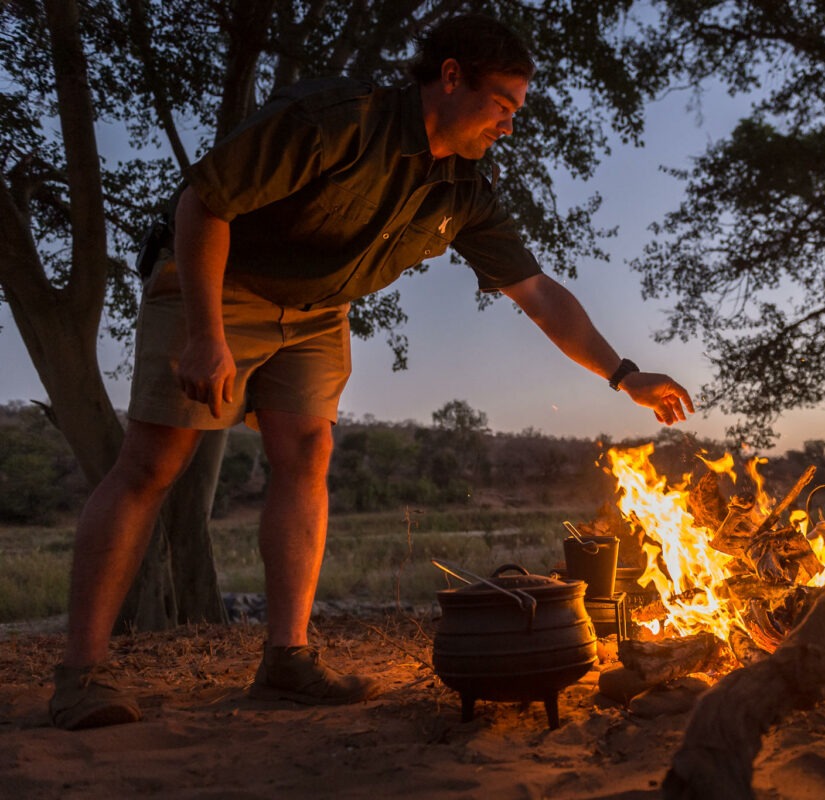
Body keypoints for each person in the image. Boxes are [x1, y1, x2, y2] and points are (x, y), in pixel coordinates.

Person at [48, 14, 693, 730]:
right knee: (153, 463)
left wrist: (623, 373)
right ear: (450, 78)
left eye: (517, 113)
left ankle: (285, 660)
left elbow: (538, 295)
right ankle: (80, 675)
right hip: (218, 279)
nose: (508, 126)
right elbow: (203, 203)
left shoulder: (465, 190)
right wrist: (205, 334)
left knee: (309, 451)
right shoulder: (335, 120)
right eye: (503, 106)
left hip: (319, 310)